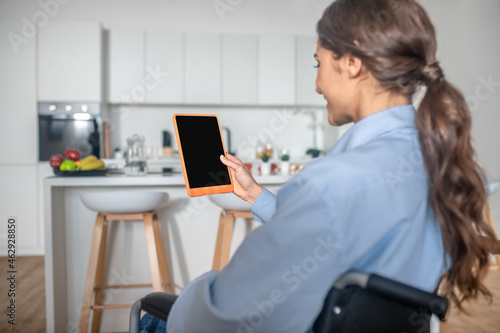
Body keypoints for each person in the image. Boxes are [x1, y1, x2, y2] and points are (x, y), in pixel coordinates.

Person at [140, 0, 497, 332]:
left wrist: (193, 291)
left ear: (352, 62)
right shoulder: (438, 161)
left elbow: (222, 316)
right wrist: (257, 196)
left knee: (151, 316)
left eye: (318, 63)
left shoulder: (331, 183)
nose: (317, 84)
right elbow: (339, 235)